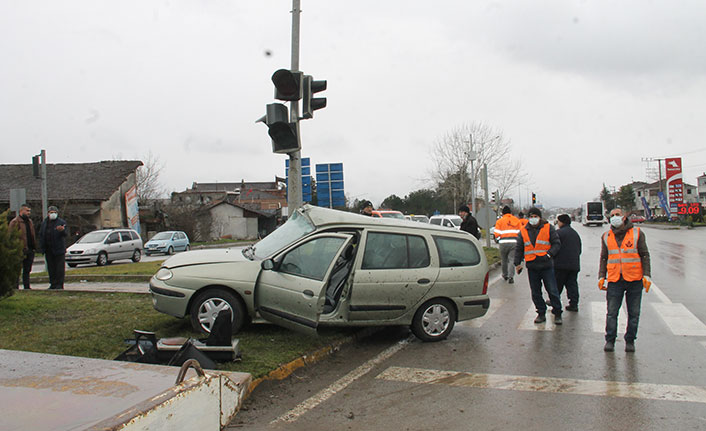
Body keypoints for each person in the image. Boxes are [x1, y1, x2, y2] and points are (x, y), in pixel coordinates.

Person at [599, 207, 651, 353]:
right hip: (615, 279)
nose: (615, 217)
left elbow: (645, 255)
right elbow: (604, 257)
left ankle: (630, 340)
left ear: (624, 217)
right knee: (611, 312)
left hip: (634, 279)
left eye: (618, 215)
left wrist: (647, 275)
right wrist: (601, 276)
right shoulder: (606, 236)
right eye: (612, 215)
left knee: (634, 313)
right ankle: (610, 340)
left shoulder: (637, 234)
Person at [514, 207, 563, 325]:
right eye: (531, 217)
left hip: (546, 265)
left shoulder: (548, 228)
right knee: (535, 292)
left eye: (535, 217)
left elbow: (556, 243)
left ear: (540, 217)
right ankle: (541, 312)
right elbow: (519, 248)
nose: (533, 219)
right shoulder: (523, 231)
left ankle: (557, 313)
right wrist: (517, 263)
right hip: (532, 266)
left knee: (552, 290)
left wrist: (549, 254)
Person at [554, 214, 582, 311]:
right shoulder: (575, 233)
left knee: (557, 285)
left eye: (558, 222)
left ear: (562, 222)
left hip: (561, 264)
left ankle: (555, 302)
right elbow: (579, 249)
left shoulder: (558, 233)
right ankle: (574, 304)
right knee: (572, 285)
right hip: (574, 264)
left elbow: (554, 248)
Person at [39, 206, 68, 290]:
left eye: (54, 212)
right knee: (51, 268)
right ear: (48, 213)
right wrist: (42, 247)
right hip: (48, 249)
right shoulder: (44, 223)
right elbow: (41, 234)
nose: (53, 214)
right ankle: (53, 283)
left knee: (59, 268)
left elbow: (66, 234)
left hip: (59, 250)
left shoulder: (61, 222)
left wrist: (62, 230)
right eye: (51, 212)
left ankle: (59, 284)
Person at [8, 203, 37, 290]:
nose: (29, 213)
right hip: (20, 250)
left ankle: (26, 286)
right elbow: (11, 236)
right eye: (27, 211)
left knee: (27, 269)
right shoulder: (15, 222)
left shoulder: (29, 222)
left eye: (29, 211)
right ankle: (15, 287)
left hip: (30, 249)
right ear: (21, 211)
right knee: (17, 270)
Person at [494, 206, 522, 284]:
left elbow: (496, 234)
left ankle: (505, 274)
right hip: (514, 242)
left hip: (503, 243)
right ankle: (511, 277)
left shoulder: (500, 221)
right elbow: (521, 232)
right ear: (510, 213)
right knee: (511, 259)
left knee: (504, 260)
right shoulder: (516, 220)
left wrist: (499, 239)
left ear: (503, 213)